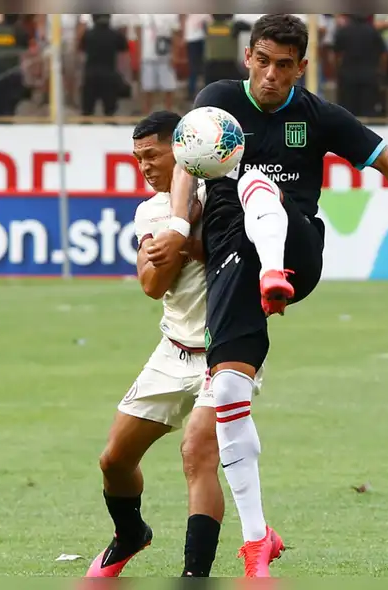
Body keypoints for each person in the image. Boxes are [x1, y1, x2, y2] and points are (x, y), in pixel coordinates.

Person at [146, 14, 388, 578]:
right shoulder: (216, 100)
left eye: (284, 66)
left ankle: (274, 275)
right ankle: (258, 537)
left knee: (253, 181)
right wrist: (173, 222)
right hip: (231, 260)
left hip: (297, 252)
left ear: (301, 67)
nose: (270, 75)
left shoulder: (317, 116)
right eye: (262, 61)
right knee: (231, 390)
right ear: (248, 57)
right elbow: (189, 161)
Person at [86, 111, 264, 579]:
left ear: (181, 149)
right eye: (137, 158)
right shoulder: (150, 211)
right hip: (172, 351)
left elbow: (232, 254)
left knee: (197, 452)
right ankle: (130, 534)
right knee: (114, 461)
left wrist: (186, 229)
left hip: (225, 352)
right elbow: (151, 283)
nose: (144, 166)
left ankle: (195, 575)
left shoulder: (225, 191)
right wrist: (180, 231)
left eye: (152, 155)